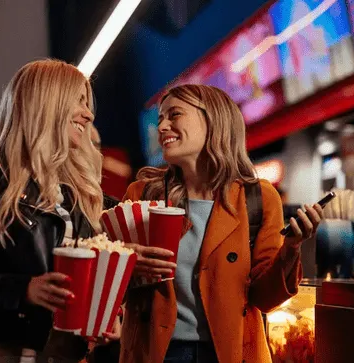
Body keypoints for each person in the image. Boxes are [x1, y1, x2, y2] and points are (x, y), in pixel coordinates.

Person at [0, 59, 119, 363]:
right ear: (46, 101)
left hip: (68, 354)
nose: (88, 113)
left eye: (87, 102)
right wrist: (22, 290)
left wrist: (108, 312)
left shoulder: (81, 190)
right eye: (78, 101)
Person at [120, 85, 324, 363]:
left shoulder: (259, 198)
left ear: (212, 120)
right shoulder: (141, 196)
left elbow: (265, 298)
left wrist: (291, 247)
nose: (163, 126)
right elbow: (115, 286)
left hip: (230, 354)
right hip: (155, 353)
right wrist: (129, 265)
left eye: (174, 115)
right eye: (160, 119)